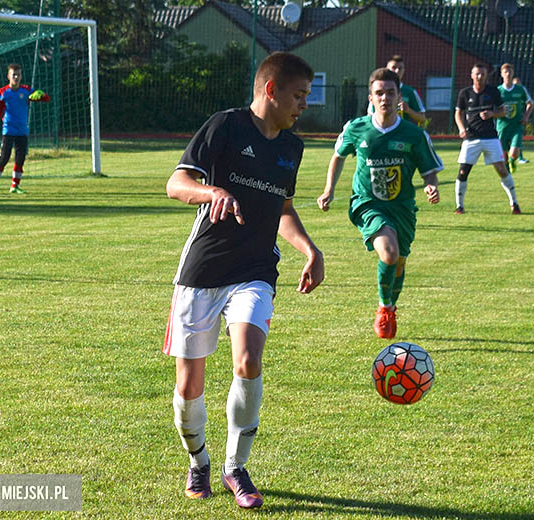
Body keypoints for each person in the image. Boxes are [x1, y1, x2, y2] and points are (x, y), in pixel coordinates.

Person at [163, 51, 324, 509]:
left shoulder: (292, 148)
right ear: (271, 90)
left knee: (249, 360)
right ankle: (198, 462)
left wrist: (310, 250)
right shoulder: (225, 126)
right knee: (188, 387)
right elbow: (176, 184)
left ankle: (236, 466)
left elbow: (282, 209)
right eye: (299, 95)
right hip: (202, 271)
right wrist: (210, 190)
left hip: (254, 272)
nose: (304, 104)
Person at [317, 67, 441, 339]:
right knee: (389, 253)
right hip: (367, 204)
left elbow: (429, 170)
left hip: (402, 208)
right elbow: (338, 156)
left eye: (390, 93)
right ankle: (384, 308)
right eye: (379, 93)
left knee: (399, 262)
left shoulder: (414, 135)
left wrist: (430, 184)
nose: (385, 98)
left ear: (399, 97)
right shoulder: (356, 128)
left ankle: (391, 306)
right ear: (371, 98)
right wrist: (329, 190)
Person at [454, 63, 521, 215]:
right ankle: (459, 206)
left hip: (490, 137)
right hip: (471, 138)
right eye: (477, 74)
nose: (480, 77)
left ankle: (514, 203)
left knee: (502, 169)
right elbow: (458, 113)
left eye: (483, 74)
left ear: (486, 76)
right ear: (471, 75)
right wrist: (461, 128)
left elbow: (503, 111)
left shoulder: (493, 91)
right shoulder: (465, 93)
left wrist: (492, 114)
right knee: (463, 172)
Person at [0, 63, 49, 195]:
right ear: (8, 76)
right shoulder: (2, 92)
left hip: (22, 131)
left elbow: (46, 99)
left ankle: (14, 186)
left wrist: (41, 94)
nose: (16, 77)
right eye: (13, 75)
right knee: (4, 158)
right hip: (8, 130)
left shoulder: (26, 90)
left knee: (20, 159)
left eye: (18, 74)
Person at [367, 55, 427, 127]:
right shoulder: (378, 89)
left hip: (402, 132)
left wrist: (408, 110)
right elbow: (370, 115)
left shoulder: (410, 91)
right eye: (394, 68)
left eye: (400, 68)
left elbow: (422, 118)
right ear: (387, 69)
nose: (397, 71)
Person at [497, 64, 534, 173]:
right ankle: (507, 172)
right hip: (502, 126)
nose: (508, 74)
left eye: (510, 72)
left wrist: (526, 116)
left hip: (516, 125)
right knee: (503, 154)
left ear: (513, 73)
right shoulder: (498, 90)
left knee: (514, 153)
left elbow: (530, 103)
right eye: (506, 72)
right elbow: (492, 107)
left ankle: (512, 161)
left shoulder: (520, 89)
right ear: (502, 74)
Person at [513, 77, 531, 164]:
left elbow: (530, 103)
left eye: (519, 83)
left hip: (518, 120)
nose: (518, 85)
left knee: (518, 140)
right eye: (516, 84)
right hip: (506, 121)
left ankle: (520, 157)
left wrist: (525, 116)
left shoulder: (521, 92)